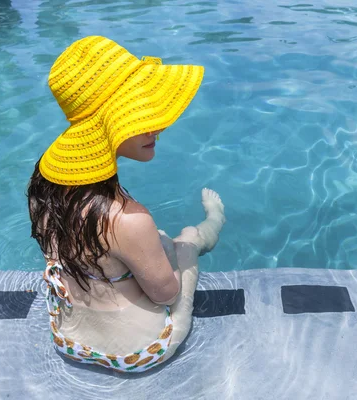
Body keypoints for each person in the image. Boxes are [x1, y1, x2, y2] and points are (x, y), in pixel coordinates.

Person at [26, 36, 225, 373]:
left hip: (66, 338)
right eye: (141, 115)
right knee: (186, 240)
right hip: (137, 350)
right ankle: (214, 220)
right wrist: (167, 249)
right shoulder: (128, 219)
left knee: (139, 247)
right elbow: (166, 296)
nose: (158, 127)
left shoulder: (43, 187)